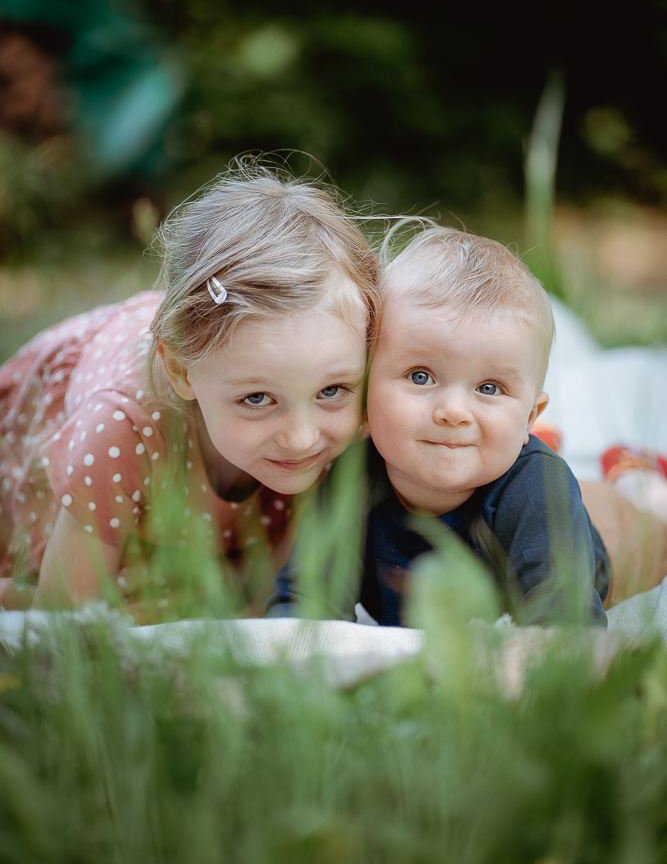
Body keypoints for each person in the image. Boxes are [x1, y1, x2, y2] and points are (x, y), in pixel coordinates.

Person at [0, 160, 379, 619]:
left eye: (332, 390)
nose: (301, 437)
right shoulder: (121, 430)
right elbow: (62, 623)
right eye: (257, 398)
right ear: (181, 371)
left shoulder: (358, 408)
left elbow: (270, 610)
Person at [269, 227, 667, 626]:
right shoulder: (349, 480)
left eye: (489, 388)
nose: (454, 411)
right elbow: (303, 603)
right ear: (365, 394)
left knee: (651, 529)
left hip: (610, 537)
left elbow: (565, 620)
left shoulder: (539, 490)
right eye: (421, 376)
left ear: (528, 416)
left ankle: (635, 469)